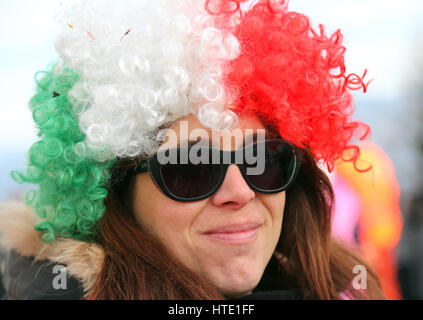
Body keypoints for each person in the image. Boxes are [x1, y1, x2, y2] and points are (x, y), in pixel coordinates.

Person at [0, 0, 384, 299]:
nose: (240, 192)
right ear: (114, 196)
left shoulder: (345, 288)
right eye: (191, 166)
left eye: (264, 160)